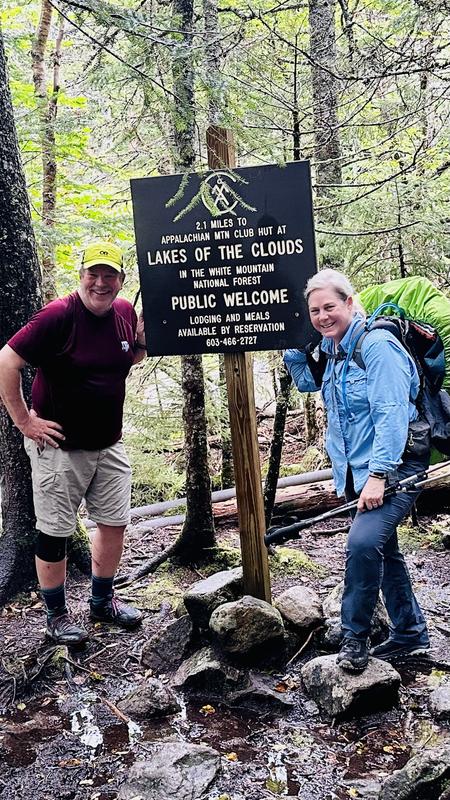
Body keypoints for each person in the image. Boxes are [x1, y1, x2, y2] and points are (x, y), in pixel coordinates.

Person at [0, 241, 147, 645]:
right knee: (54, 532)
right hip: (60, 449)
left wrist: (142, 344)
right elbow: (6, 359)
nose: (100, 283)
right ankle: (57, 615)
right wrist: (24, 420)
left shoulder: (122, 312)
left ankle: (102, 601)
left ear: (120, 280)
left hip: (109, 444)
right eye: (93, 274)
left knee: (114, 522)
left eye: (109, 275)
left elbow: (123, 361)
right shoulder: (59, 315)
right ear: (80, 274)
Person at [284, 268, 430, 672]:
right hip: (355, 471)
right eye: (314, 311)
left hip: (396, 468)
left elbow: (392, 414)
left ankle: (355, 639)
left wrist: (380, 476)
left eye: (329, 307)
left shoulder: (377, 346)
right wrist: (295, 346)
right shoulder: (333, 350)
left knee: (363, 546)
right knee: (384, 550)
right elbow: (308, 386)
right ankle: (410, 631)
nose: (322, 316)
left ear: (350, 302)